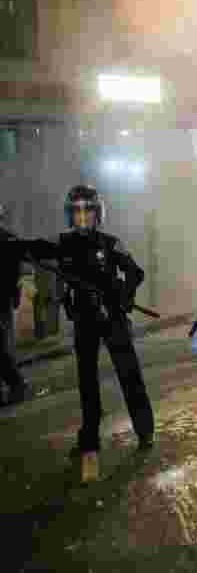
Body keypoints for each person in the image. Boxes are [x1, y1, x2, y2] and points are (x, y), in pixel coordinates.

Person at [24, 186, 154, 458]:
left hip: (112, 317)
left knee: (129, 374)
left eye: (88, 210)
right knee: (87, 382)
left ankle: (145, 430)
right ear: (70, 215)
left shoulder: (110, 243)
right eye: (77, 211)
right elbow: (33, 247)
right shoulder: (62, 242)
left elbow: (135, 272)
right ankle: (90, 438)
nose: (83, 216)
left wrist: (123, 293)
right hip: (84, 320)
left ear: (98, 213)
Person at [0, 202, 31, 406]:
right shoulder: (8, 237)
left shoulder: (7, 239)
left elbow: (14, 271)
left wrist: (13, 293)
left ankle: (17, 384)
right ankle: (16, 384)